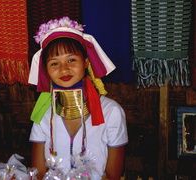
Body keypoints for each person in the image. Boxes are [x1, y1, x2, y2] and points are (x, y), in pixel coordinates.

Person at [28, 17, 128, 180]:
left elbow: (112, 175)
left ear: (86, 62)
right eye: (54, 63)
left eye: (71, 60)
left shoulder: (111, 111)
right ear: (45, 69)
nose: (64, 69)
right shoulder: (43, 114)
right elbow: (38, 173)